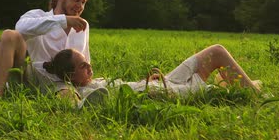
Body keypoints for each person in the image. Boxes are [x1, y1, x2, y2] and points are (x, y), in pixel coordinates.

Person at [0, 0, 91, 101]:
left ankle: (83, 98)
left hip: (65, 82)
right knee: (9, 35)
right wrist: (63, 20)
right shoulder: (38, 15)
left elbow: (84, 58)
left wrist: (85, 75)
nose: (80, 6)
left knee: (72, 93)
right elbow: (20, 27)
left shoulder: (82, 26)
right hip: (34, 77)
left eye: (83, 2)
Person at [42, 45, 262, 97]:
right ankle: (254, 94)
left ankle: (244, 86)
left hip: (160, 82)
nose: (89, 66)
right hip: (168, 91)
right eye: (83, 66)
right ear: (70, 76)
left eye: (86, 61)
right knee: (218, 55)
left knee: (217, 51)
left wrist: (145, 80)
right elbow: (67, 98)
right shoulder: (86, 93)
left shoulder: (94, 81)